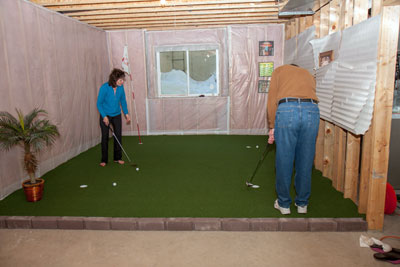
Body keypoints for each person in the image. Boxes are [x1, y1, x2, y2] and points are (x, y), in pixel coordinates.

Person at [267, 64, 320, 215]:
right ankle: (302, 204)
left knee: (284, 158)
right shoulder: (307, 73)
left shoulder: (279, 71)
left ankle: (284, 204)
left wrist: (272, 126)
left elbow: (272, 100)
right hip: (312, 110)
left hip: (287, 110)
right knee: (306, 158)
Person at [97, 68, 131, 167]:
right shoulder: (104, 87)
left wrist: (127, 114)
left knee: (118, 136)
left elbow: (123, 102)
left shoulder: (120, 88)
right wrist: (104, 116)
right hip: (105, 115)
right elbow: (99, 103)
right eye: (120, 80)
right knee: (105, 137)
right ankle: (104, 160)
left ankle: (117, 158)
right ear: (114, 79)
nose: (122, 82)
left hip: (116, 114)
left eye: (123, 80)